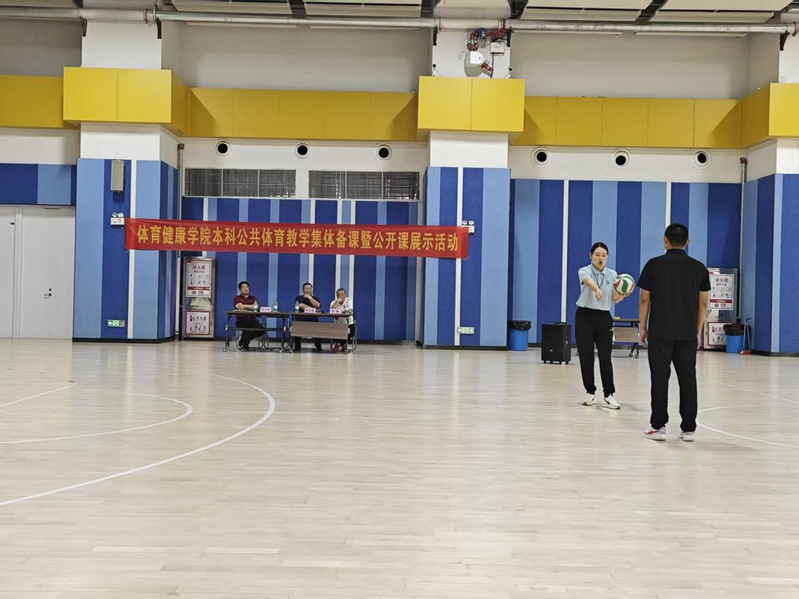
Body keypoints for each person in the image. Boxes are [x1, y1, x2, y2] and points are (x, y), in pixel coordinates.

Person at [638, 223, 711, 442]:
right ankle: (688, 429)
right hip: (687, 333)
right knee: (688, 379)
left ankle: (659, 426)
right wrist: (697, 331)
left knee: (659, 378)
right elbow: (703, 303)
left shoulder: (653, 265)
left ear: (665, 240)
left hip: (660, 332)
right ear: (688, 241)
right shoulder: (699, 268)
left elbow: (644, 299)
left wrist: (643, 327)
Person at [576, 242, 629, 410]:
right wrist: (596, 290)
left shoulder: (613, 274)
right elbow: (588, 281)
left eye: (604, 255)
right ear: (591, 256)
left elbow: (614, 298)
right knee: (586, 356)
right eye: (597, 255)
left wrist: (623, 293)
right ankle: (590, 392)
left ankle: (608, 395)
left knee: (605, 357)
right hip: (584, 316)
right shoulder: (584, 270)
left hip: (604, 317)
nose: (601, 258)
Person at [233, 281, 264, 351]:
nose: (246, 289)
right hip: (242, 319)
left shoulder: (253, 298)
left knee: (261, 330)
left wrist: (244, 306)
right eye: (243, 287)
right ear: (240, 289)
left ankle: (242, 339)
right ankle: (245, 345)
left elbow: (256, 307)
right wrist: (250, 307)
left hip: (252, 319)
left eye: (247, 287)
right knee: (246, 327)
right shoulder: (237, 298)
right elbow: (238, 307)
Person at [293, 282, 323, 352]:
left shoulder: (316, 298)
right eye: (306, 288)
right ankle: (297, 347)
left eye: (309, 288)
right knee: (296, 326)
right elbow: (300, 305)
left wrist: (309, 298)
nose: (308, 290)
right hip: (301, 318)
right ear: (303, 290)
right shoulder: (299, 297)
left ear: (312, 289)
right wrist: (313, 309)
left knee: (319, 327)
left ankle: (318, 347)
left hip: (313, 319)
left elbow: (317, 305)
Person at [329, 288, 354, 353]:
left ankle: (338, 345)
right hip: (337, 324)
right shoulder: (333, 302)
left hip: (349, 323)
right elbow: (331, 311)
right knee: (336, 331)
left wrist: (341, 312)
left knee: (351, 332)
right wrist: (337, 302)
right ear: (336, 295)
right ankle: (344, 345)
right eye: (339, 295)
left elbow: (350, 310)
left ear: (345, 295)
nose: (340, 296)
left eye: (342, 294)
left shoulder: (349, 300)